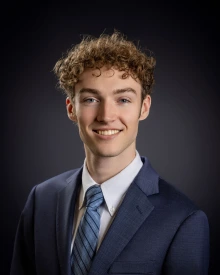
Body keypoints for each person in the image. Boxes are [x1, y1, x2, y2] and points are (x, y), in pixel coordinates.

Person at [10, 31, 210, 275]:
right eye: (91, 99)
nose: (106, 116)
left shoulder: (183, 220)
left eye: (123, 99)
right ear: (71, 109)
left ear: (143, 108)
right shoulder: (41, 200)